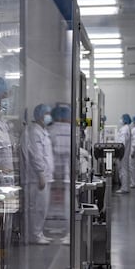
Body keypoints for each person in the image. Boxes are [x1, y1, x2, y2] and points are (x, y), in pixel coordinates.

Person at [22, 104, 55, 244]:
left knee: (41, 207)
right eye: (47, 113)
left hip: (43, 176)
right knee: (36, 207)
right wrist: (41, 173)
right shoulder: (33, 132)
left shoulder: (42, 131)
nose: (49, 116)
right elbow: (36, 155)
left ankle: (38, 233)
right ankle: (34, 235)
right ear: (41, 116)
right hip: (36, 178)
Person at [48, 104, 73, 243]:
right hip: (67, 172)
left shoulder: (50, 130)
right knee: (67, 202)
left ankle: (52, 226)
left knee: (52, 201)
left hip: (52, 172)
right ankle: (68, 232)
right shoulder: (71, 130)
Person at [115, 113, 132, 194]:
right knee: (124, 169)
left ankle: (124, 188)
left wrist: (119, 152)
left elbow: (122, 143)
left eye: (121, 118)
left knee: (123, 170)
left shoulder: (125, 129)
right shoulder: (126, 128)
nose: (120, 120)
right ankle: (125, 187)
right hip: (124, 152)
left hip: (123, 152)